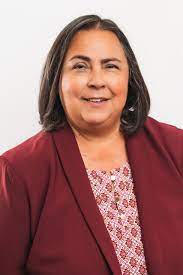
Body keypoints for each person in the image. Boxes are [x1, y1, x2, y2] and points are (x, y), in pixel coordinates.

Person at [0, 14, 182, 275]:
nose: (97, 81)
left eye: (110, 66)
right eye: (80, 66)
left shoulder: (176, 149)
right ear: (57, 79)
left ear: (129, 80)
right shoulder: (20, 172)